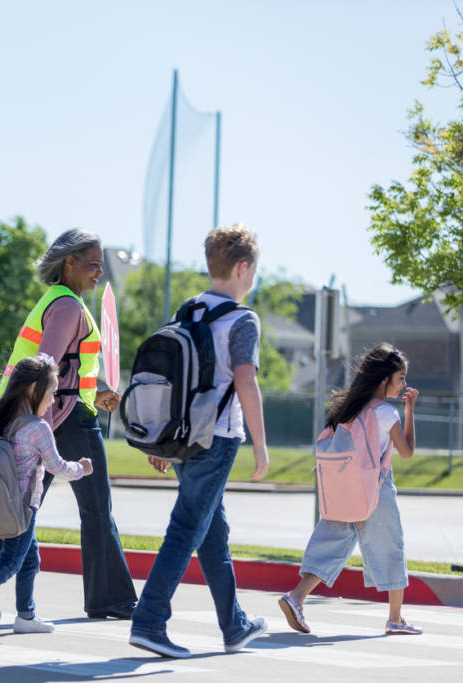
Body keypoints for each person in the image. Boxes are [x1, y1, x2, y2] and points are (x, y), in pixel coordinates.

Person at [0, 228, 138, 619]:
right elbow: (46, 367)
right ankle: (113, 598)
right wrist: (37, 425)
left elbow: (65, 371)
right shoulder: (69, 307)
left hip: (61, 412)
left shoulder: (56, 301)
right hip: (65, 420)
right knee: (95, 510)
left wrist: (98, 391)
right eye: (92, 265)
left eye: (101, 266)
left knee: (18, 506)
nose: (98, 274)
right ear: (69, 263)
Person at [128, 223, 270, 659]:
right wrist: (261, 447)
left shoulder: (187, 309)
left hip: (183, 436)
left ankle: (234, 625)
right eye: (254, 271)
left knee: (212, 531)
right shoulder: (243, 319)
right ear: (243, 268)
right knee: (188, 526)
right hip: (218, 436)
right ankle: (149, 621)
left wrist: (160, 439)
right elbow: (246, 381)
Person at [279, 344, 421, 636]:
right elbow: (406, 452)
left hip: (345, 488)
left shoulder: (350, 407)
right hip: (375, 489)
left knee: (332, 543)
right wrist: (409, 410)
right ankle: (395, 619)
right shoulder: (386, 413)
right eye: (401, 378)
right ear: (384, 380)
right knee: (391, 545)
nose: (404, 384)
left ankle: (296, 597)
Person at [0, 354, 92, 634]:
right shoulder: (37, 428)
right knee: (11, 561)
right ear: (34, 389)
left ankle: (26, 615)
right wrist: (81, 468)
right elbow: (57, 467)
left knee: (30, 559)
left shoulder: (5, 421)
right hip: (24, 506)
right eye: (52, 392)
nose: (53, 399)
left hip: (6, 502)